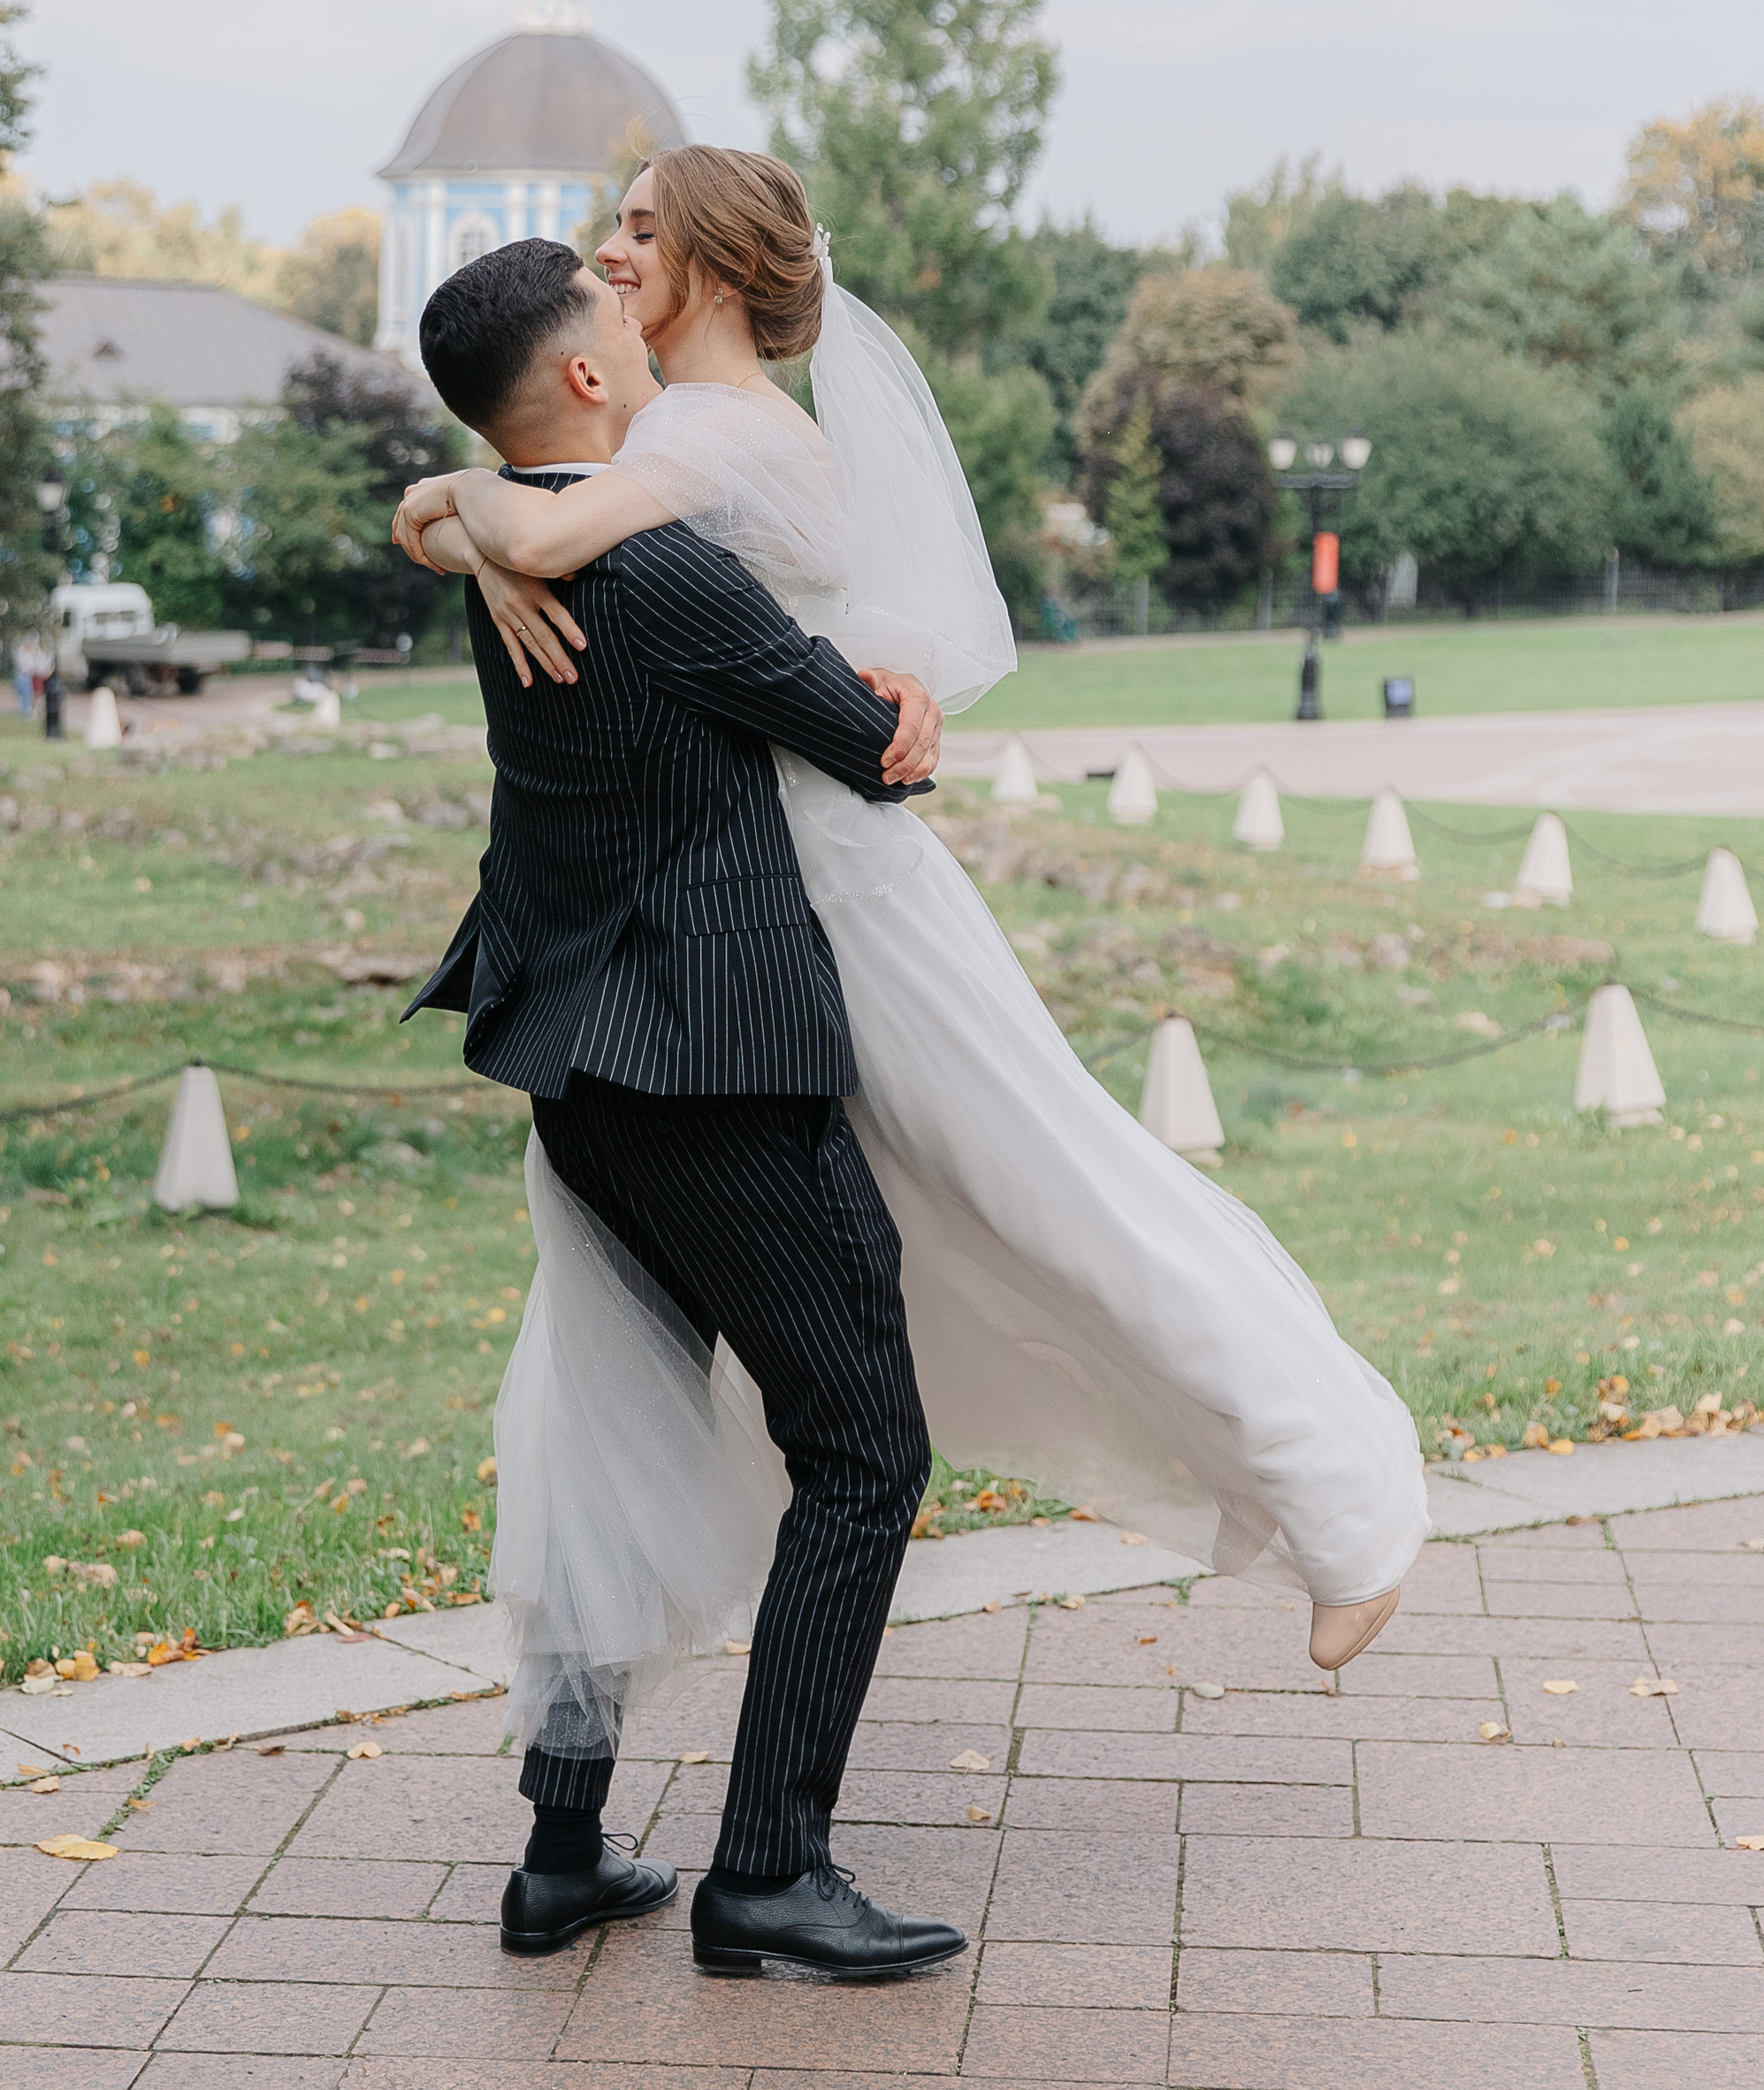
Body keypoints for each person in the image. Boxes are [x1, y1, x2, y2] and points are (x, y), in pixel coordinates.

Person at [398, 148, 1431, 1696]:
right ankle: (610, 1682)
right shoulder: (678, 428)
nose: (608, 254)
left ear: (718, 270)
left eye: (637, 231)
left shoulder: (718, 432)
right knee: (888, 1250)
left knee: (1052, 1190)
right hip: (737, 908)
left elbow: (542, 522)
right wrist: (466, 524)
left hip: (839, 894)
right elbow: (513, 504)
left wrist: (478, 519)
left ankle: (1344, 1506)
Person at [404, 234, 969, 1985]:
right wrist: (902, 689)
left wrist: (446, 501)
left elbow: (480, 512)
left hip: (576, 1059)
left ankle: (559, 1854)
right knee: (863, 1448)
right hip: (712, 1067)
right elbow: (871, 745)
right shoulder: (658, 564)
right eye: (608, 313)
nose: (634, 317)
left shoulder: (504, 543)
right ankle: (767, 1873)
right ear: (583, 378)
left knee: (606, 1434)